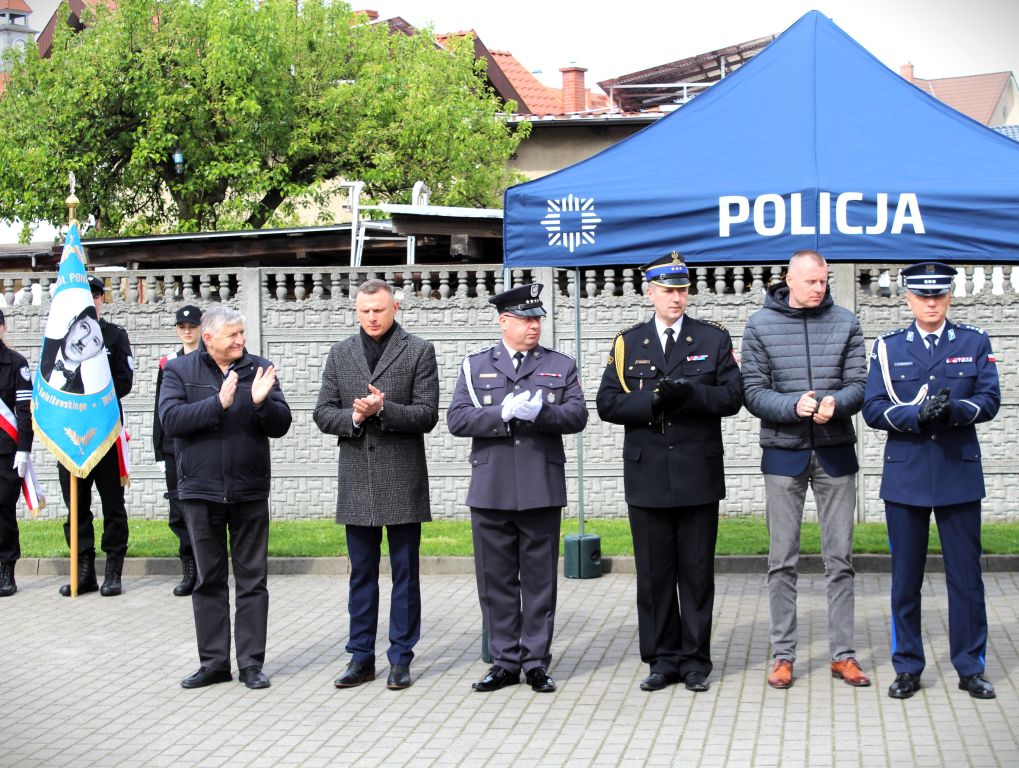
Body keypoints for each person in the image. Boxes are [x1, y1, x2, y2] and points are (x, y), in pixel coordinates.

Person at [597, 252, 742, 693]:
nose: (676, 298)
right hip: (648, 476)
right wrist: (653, 401)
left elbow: (733, 397)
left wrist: (691, 394)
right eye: (666, 290)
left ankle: (695, 661)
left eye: (682, 290)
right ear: (650, 293)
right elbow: (607, 404)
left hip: (697, 473)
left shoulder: (713, 338)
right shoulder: (629, 342)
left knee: (696, 574)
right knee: (654, 575)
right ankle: (662, 659)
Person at [863, 262, 1000, 701]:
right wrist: (916, 416)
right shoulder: (887, 347)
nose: (931, 303)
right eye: (923, 296)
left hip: (958, 471)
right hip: (907, 475)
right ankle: (907, 666)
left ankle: (970, 666)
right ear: (908, 298)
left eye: (938, 295)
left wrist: (955, 411)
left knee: (966, 579)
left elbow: (990, 398)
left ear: (949, 297)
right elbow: (872, 407)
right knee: (906, 580)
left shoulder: (974, 341)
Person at [447, 283, 587, 694]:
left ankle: (536, 662)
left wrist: (542, 412)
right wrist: (499, 414)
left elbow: (577, 415)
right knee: (496, 582)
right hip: (491, 489)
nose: (534, 326)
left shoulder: (560, 364)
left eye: (537, 318)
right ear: (504, 321)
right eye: (526, 319)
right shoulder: (475, 366)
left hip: (541, 486)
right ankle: (505, 661)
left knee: (540, 581)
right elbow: (457, 419)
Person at [741, 249, 869, 689]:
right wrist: (792, 406)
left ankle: (843, 655)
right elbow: (753, 391)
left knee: (841, 559)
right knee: (782, 560)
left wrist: (837, 403)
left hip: (836, 452)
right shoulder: (759, 325)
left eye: (824, 281)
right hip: (783, 453)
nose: (819, 288)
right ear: (789, 279)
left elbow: (859, 384)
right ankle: (783, 655)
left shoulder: (846, 322)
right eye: (811, 281)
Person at [313, 280, 439, 691]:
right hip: (357, 480)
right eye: (365, 311)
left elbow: (427, 414)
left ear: (394, 308)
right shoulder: (340, 353)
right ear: (356, 310)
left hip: (402, 478)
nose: (372, 317)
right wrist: (354, 417)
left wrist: (384, 408)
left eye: (379, 310)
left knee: (405, 575)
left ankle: (401, 657)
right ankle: (360, 657)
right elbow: (322, 412)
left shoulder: (418, 350)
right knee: (361, 575)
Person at [159, 306, 292, 690]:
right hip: (200, 492)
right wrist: (217, 403)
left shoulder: (259, 369)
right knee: (209, 580)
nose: (240, 341)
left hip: (249, 491)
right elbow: (171, 420)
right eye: (232, 335)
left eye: (241, 333)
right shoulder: (178, 371)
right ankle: (214, 664)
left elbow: (281, 424)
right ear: (208, 338)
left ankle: (250, 664)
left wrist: (262, 403)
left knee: (253, 580)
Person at [58, 274, 134, 597]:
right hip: (71, 435)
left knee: (113, 504)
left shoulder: (115, 336)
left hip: (104, 432)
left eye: (96, 294)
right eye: (85, 293)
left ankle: (113, 570)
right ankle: (84, 570)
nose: (91, 298)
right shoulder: (60, 336)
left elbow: (125, 381)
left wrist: (92, 398)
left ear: (102, 299)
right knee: (76, 507)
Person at [153, 305, 203, 597]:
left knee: (203, 510)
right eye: (182, 327)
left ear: (201, 329)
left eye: (192, 326)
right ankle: (189, 569)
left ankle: (206, 567)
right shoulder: (168, 364)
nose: (187, 331)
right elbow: (159, 410)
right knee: (178, 511)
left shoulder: (209, 361)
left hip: (200, 445)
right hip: (174, 448)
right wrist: (159, 451)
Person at [0, 310, 33, 597]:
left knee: (3, 510)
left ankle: (7, 569)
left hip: (6, 452)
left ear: (3, 328)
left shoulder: (16, 364)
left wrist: (23, 449)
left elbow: (24, 412)